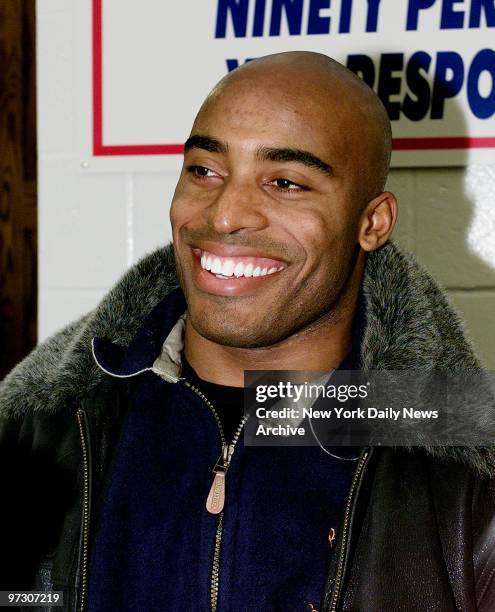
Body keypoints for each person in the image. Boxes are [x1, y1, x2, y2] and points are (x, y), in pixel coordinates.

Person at [0, 51, 494, 611]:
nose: (226, 214)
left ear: (372, 222)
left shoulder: (465, 463)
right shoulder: (40, 428)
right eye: (205, 171)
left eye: (285, 182)